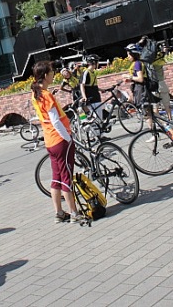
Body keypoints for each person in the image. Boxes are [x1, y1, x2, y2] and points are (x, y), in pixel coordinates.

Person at [30, 60, 82, 223]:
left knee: (56, 177)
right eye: (52, 72)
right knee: (66, 177)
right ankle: (74, 213)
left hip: (50, 141)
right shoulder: (46, 95)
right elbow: (55, 121)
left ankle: (59, 213)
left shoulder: (35, 93)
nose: (54, 74)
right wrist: (68, 139)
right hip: (60, 140)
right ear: (46, 75)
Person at [123, 43, 154, 133]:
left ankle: (154, 133)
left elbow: (140, 79)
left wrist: (129, 77)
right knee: (150, 113)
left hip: (142, 90)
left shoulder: (137, 64)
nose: (127, 56)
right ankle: (160, 131)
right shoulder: (138, 63)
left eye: (129, 54)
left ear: (133, 54)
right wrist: (130, 80)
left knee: (147, 113)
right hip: (141, 88)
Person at [138, 35, 171, 119]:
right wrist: (163, 52)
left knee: (155, 105)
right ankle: (170, 119)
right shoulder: (158, 58)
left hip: (152, 83)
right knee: (166, 104)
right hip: (161, 82)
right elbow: (162, 61)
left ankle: (162, 122)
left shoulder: (144, 59)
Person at [79, 55, 103, 121]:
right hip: (90, 97)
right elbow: (82, 85)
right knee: (95, 118)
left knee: (99, 117)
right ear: (94, 62)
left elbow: (92, 85)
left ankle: (99, 129)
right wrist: (84, 96)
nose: (98, 63)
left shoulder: (93, 72)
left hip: (96, 96)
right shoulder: (86, 72)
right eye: (97, 62)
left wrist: (101, 90)